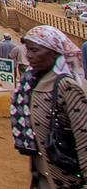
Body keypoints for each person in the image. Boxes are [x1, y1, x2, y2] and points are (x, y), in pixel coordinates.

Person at [10, 25, 87, 188]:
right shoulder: (30, 83)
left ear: (53, 52)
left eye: (35, 50)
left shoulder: (67, 87)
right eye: (28, 50)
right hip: (42, 179)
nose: (29, 56)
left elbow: (84, 138)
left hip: (65, 182)